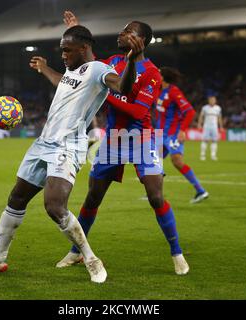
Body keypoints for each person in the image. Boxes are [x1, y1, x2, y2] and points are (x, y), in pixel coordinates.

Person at [0, 25, 144, 283]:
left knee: (54, 206)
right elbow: (61, 81)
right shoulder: (73, 72)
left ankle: (91, 259)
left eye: (67, 50)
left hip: (67, 146)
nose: (63, 55)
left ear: (83, 48)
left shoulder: (99, 71)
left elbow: (123, 87)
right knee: (16, 198)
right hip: (43, 143)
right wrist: (44, 68)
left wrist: (130, 62)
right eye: (62, 50)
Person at [57, 11, 189, 275]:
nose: (121, 33)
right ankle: (75, 253)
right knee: (93, 196)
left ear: (141, 40)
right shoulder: (113, 61)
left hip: (143, 138)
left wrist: (105, 95)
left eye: (128, 31)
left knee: (155, 196)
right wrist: (75, 30)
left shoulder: (152, 72)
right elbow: (87, 65)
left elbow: (139, 112)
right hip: (114, 139)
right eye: (123, 29)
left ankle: (177, 254)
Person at [154, 67, 209, 204]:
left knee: (177, 161)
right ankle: (155, 193)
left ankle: (201, 191)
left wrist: (182, 130)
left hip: (172, 134)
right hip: (160, 134)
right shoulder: (158, 91)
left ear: (163, 77)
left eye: (159, 74)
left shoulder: (174, 92)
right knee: (155, 162)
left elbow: (190, 111)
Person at [198, 95, 224, 161]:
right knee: (205, 140)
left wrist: (221, 126)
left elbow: (219, 118)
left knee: (214, 141)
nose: (212, 101)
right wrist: (199, 124)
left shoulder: (218, 108)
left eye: (213, 100)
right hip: (206, 126)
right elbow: (201, 116)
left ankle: (213, 155)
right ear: (209, 101)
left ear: (215, 101)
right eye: (211, 100)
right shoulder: (205, 108)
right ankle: (202, 155)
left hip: (214, 127)